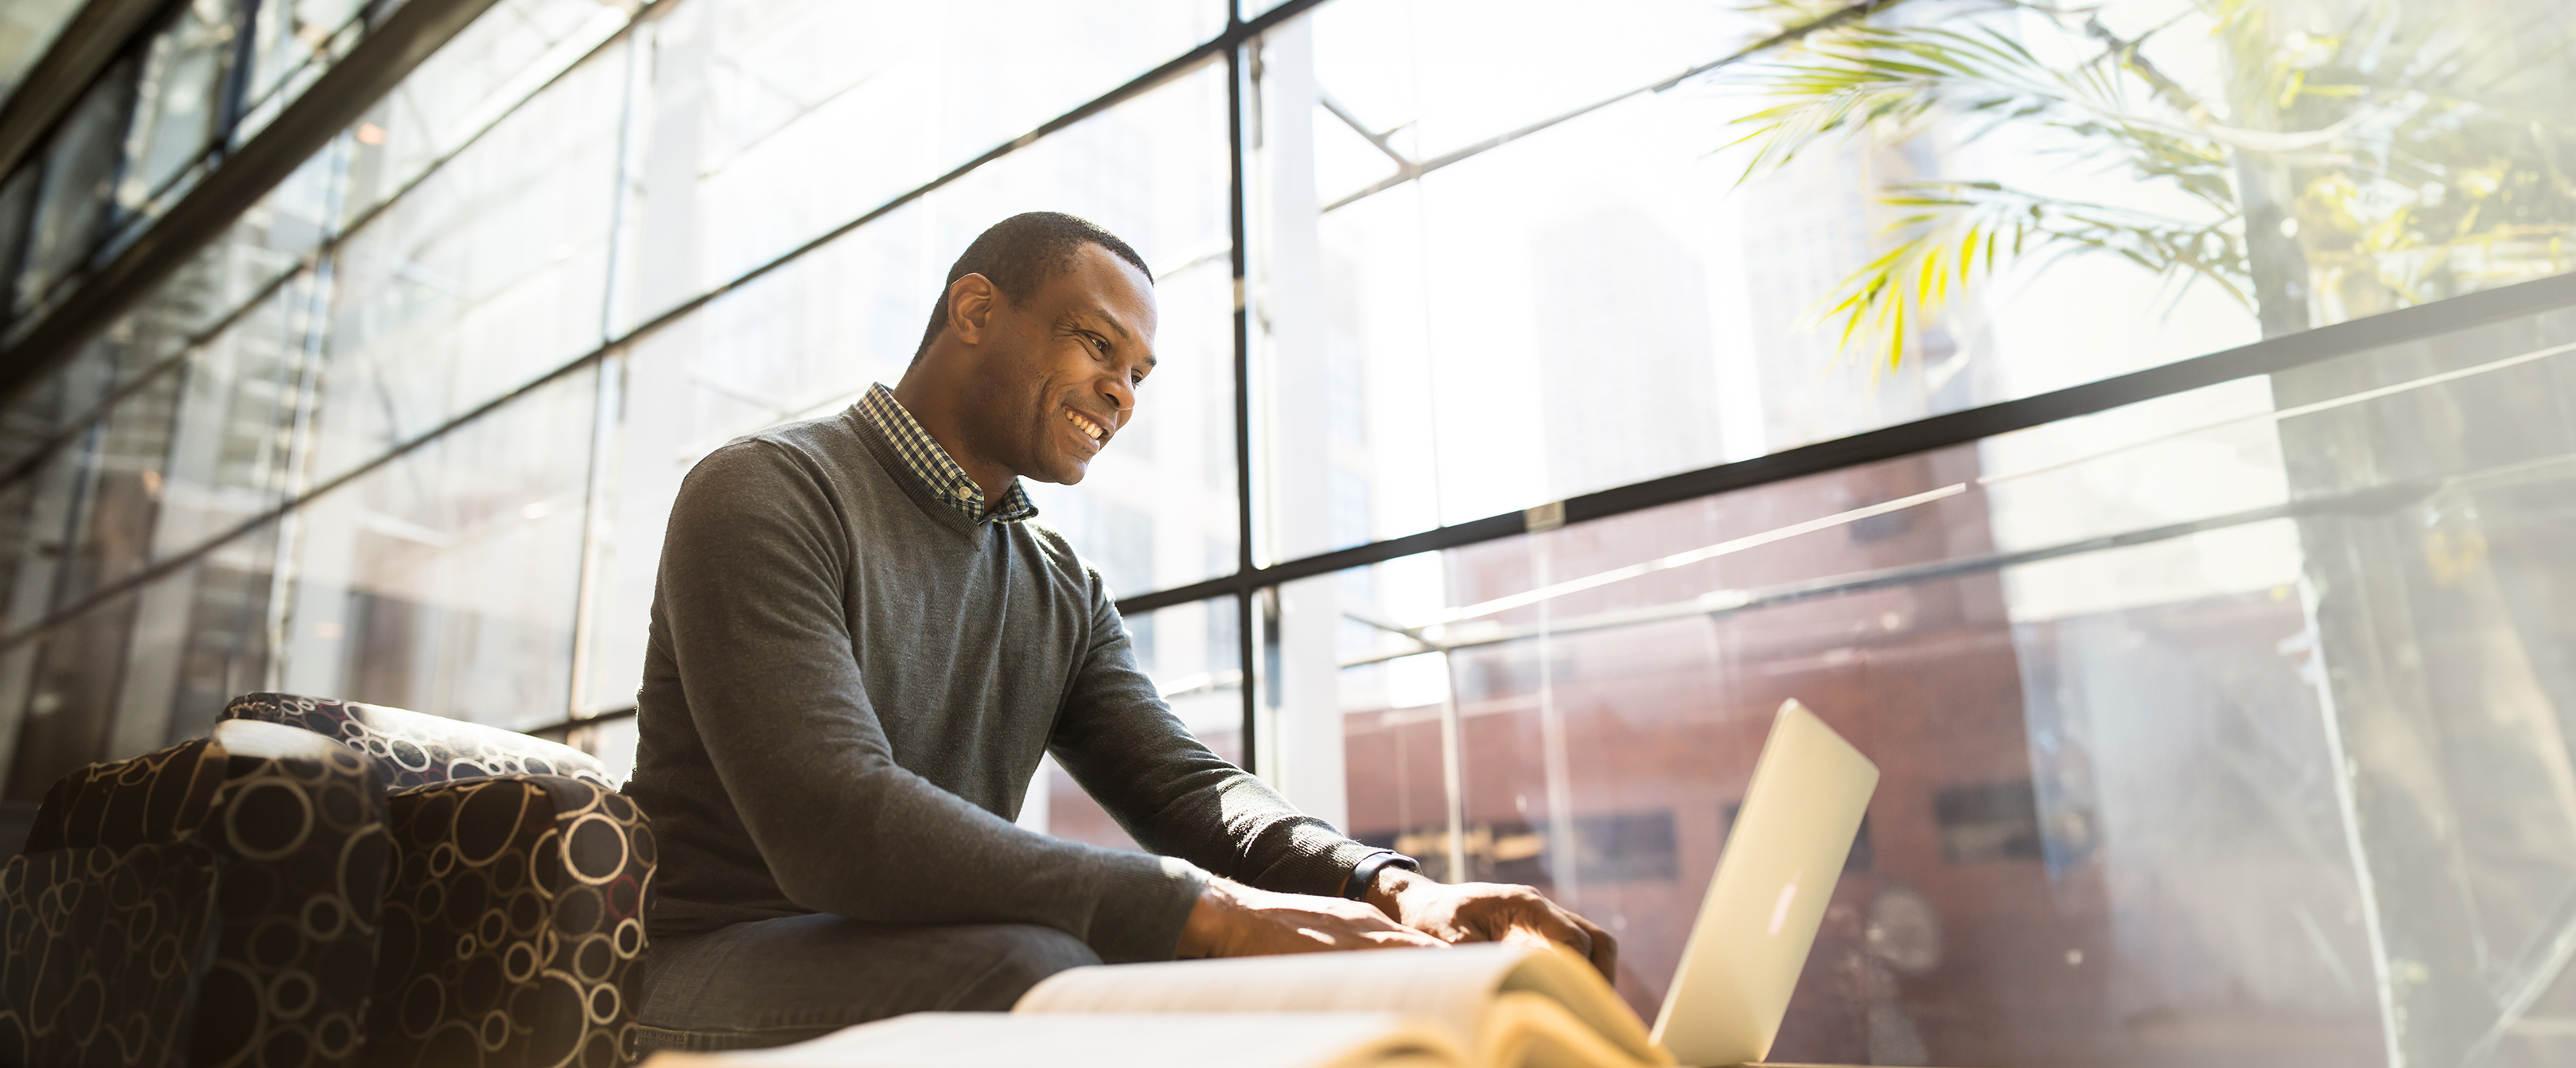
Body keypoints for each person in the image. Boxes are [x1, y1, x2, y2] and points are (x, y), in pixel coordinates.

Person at [622, 212, 1614, 1054]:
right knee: (1047, 962)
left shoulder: (1058, 584)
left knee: (1079, 960)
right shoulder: (763, 489)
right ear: (975, 312)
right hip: (706, 964)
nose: (1123, 394)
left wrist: (1392, 888)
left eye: (1139, 371)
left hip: (929, 951)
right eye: (1098, 346)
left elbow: (1191, 793)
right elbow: (833, 821)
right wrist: (1212, 912)